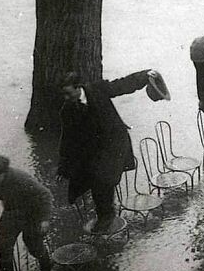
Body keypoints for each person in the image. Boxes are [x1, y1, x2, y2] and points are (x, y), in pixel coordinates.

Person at [58, 69, 164, 233]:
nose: (65, 98)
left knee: (103, 178)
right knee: (92, 178)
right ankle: (105, 214)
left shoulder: (98, 89)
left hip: (115, 143)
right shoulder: (67, 110)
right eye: (63, 95)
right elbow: (67, 139)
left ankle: (107, 216)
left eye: (67, 93)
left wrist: (144, 76)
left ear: (78, 87)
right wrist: (63, 167)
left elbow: (122, 85)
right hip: (95, 149)